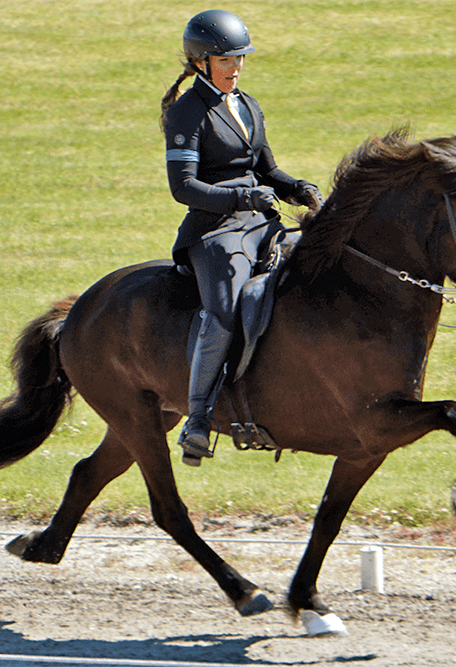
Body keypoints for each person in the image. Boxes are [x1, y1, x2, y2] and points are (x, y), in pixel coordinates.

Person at [160, 9, 323, 466]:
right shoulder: (187, 113)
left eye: (240, 59)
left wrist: (302, 190)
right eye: (226, 60)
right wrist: (240, 198)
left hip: (260, 222)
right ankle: (196, 420)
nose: (236, 68)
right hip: (214, 231)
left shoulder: (248, 105)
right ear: (201, 62)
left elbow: (269, 170)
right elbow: (183, 188)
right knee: (226, 311)